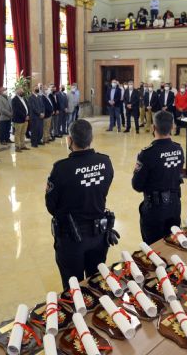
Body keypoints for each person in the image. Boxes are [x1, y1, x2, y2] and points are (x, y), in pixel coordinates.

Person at [46, 119, 115, 289]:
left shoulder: (61, 169)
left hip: (71, 239)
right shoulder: (105, 162)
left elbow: (51, 207)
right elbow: (103, 191)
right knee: (96, 283)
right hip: (99, 236)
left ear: (70, 140)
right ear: (91, 139)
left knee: (73, 289)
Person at [132, 111, 184, 244]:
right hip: (174, 206)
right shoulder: (178, 149)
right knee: (173, 245)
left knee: (154, 251)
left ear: (154, 128)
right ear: (172, 127)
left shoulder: (147, 154)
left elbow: (137, 185)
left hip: (155, 210)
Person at [11, 87, 30, 152]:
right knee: (18, 133)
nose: (23, 92)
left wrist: (28, 115)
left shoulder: (24, 98)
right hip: (19, 119)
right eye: (21, 91)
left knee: (23, 133)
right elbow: (16, 110)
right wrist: (25, 116)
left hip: (26, 119)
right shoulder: (14, 100)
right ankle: (17, 147)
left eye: (22, 91)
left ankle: (22, 145)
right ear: (17, 92)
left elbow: (28, 107)